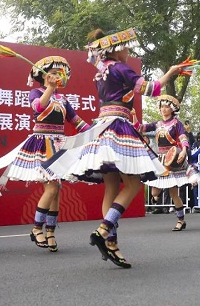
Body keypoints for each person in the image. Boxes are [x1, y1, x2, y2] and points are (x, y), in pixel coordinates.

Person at [43, 27, 182, 268]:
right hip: (118, 127)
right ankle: (104, 229)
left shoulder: (101, 72)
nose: (129, 52)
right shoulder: (120, 68)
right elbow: (152, 89)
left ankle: (111, 243)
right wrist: (171, 72)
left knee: (111, 188)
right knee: (133, 183)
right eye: (127, 48)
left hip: (102, 128)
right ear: (117, 50)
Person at [0, 56, 89, 252]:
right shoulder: (36, 92)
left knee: (57, 190)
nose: (59, 76)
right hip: (42, 144)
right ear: (44, 75)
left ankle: (50, 231)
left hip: (59, 145)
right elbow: (39, 108)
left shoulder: (63, 99)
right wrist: (50, 88)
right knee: (51, 188)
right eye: (54, 73)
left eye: (61, 73)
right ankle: (36, 228)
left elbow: (76, 121)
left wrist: (96, 131)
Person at [141, 95, 192, 231]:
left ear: (172, 109)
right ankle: (156, 199)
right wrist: (134, 119)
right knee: (154, 192)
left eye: (166, 106)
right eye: (162, 107)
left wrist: (184, 151)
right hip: (160, 160)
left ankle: (181, 220)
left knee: (173, 193)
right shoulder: (157, 124)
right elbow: (142, 127)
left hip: (173, 159)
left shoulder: (176, 123)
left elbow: (182, 137)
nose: (164, 109)